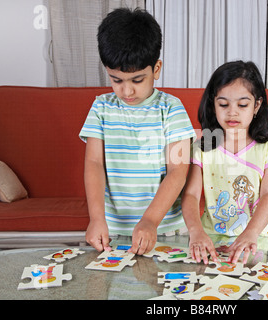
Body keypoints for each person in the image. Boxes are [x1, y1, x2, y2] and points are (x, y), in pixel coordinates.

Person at [79, 8, 196, 255]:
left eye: (137, 80)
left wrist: (151, 220)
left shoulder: (171, 108)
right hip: (114, 230)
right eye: (117, 80)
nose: (127, 91)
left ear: (156, 69)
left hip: (164, 229)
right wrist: (96, 218)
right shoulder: (101, 107)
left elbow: (177, 172)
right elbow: (93, 163)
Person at [182, 61, 268, 264]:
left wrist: (251, 233)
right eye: (223, 104)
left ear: (257, 105)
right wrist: (196, 231)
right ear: (213, 105)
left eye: (242, 105)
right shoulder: (201, 149)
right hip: (209, 239)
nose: (232, 112)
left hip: (254, 239)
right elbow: (190, 194)